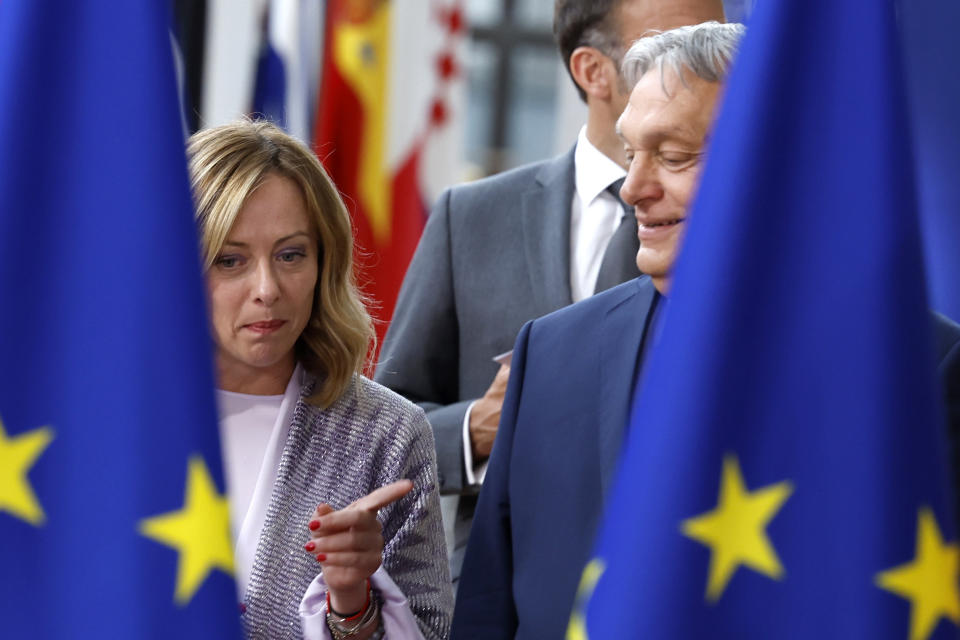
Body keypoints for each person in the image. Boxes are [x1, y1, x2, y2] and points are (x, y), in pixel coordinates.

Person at [450, 21, 960, 638]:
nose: (634, 189)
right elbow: (487, 610)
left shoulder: (921, 366)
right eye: (631, 153)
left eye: (672, 156)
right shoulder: (552, 355)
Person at [374, 0, 726, 585]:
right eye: (673, 38)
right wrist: (477, 430)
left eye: (712, 33)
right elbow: (384, 428)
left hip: (688, 577)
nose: (697, 56)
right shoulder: (472, 217)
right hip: (509, 591)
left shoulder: (737, 238)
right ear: (593, 71)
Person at [187, 120, 453, 640]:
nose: (267, 289)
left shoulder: (386, 433)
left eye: (290, 255)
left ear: (324, 262)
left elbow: (431, 631)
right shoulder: (107, 418)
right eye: (230, 260)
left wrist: (352, 602)